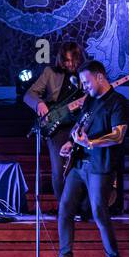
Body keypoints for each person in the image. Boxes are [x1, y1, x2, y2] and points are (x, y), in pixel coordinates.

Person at [50, 60, 128, 257]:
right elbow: (80, 127)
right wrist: (72, 143)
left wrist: (90, 143)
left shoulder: (117, 102)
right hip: (79, 164)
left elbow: (118, 135)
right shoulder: (90, 101)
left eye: (87, 82)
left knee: (99, 212)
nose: (84, 86)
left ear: (99, 77)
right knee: (65, 208)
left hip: (100, 166)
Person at [23, 41, 86, 202]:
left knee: (81, 166)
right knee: (59, 169)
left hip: (80, 126)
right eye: (67, 60)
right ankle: (63, 208)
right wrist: (40, 104)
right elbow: (29, 94)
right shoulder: (50, 72)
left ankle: (82, 207)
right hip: (57, 128)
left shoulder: (86, 73)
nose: (70, 64)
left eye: (73, 60)